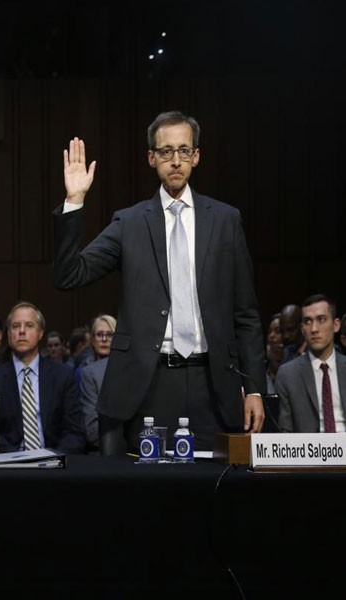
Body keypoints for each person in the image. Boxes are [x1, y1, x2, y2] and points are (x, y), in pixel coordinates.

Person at [53, 110, 265, 453]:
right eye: (166, 152)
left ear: (196, 156)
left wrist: (254, 388)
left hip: (213, 384)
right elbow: (68, 275)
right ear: (152, 158)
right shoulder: (130, 222)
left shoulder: (226, 220)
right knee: (151, 499)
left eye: (184, 150)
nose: (176, 160)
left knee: (216, 497)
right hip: (149, 385)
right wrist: (75, 200)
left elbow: (246, 314)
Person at [0, 302, 85, 454]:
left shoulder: (63, 376)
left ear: (40, 333)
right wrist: (16, 460)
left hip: (55, 465)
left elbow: (75, 432)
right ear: (8, 334)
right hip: (8, 466)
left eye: (29, 325)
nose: (21, 331)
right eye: (15, 326)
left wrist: (54, 458)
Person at [277, 294, 345, 433]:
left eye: (321, 319)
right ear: (302, 329)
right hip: (307, 452)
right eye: (308, 321)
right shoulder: (288, 375)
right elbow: (285, 434)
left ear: (336, 325)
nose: (314, 329)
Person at [78, 314, 117, 452]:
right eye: (100, 335)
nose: (104, 339)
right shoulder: (84, 372)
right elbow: (91, 430)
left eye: (110, 334)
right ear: (92, 340)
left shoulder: (128, 369)